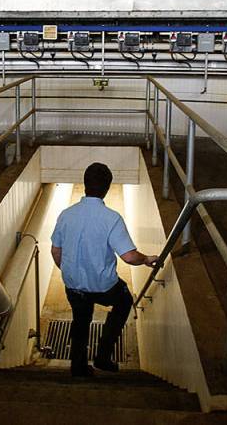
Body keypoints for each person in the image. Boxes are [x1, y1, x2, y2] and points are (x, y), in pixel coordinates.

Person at [50, 162, 158, 377]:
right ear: (107, 188)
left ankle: (78, 366)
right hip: (103, 287)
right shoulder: (112, 219)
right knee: (125, 301)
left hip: (73, 286)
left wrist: (70, 271)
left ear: (85, 185)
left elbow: (55, 251)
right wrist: (146, 259)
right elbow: (129, 256)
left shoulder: (66, 214)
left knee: (80, 321)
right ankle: (102, 356)